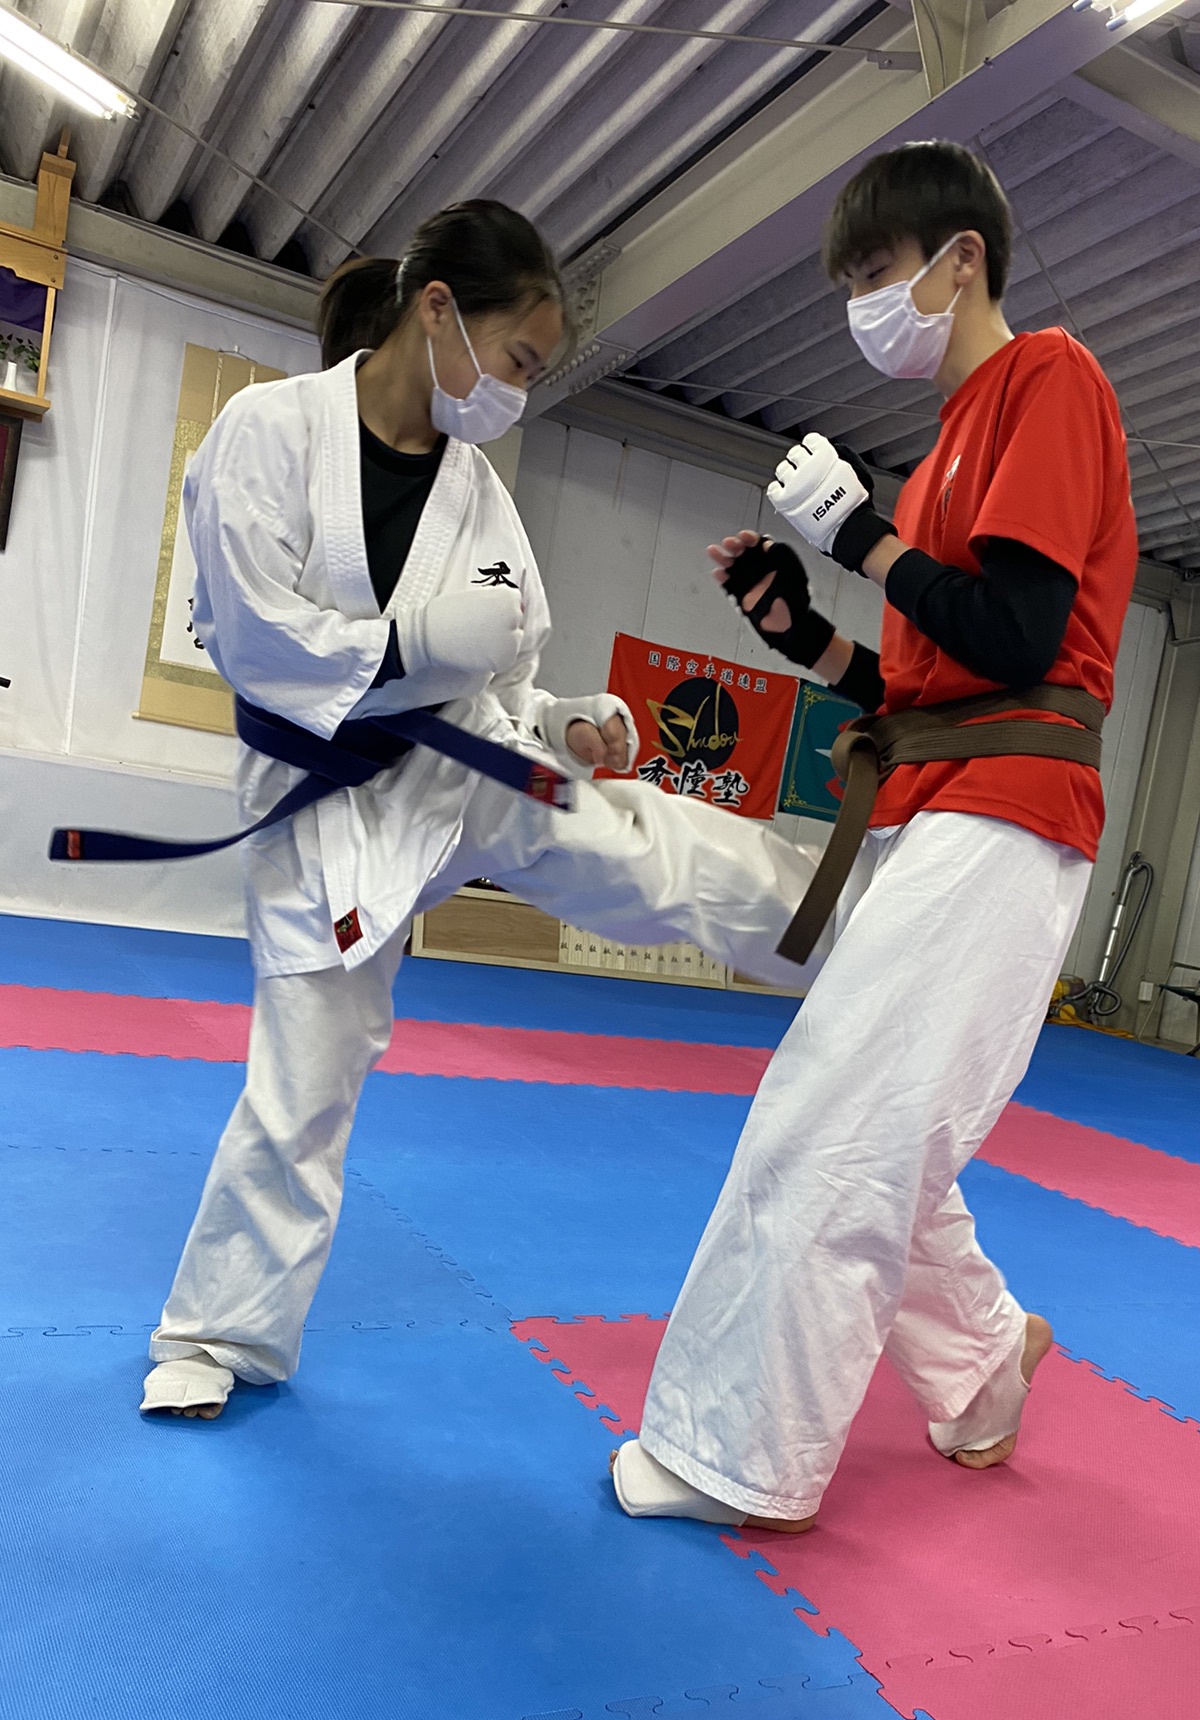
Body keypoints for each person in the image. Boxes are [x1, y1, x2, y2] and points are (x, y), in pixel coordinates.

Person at [139, 199, 821, 1420]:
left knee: (642, 840)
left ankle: (836, 923)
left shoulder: (481, 497)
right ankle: (215, 1335)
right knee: (305, 1084)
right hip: (321, 808)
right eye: (518, 359)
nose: (518, 390)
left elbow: (502, 681)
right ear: (438, 307)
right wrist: (409, 643)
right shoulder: (267, 433)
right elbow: (251, 639)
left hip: (467, 765)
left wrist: (565, 723)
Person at [612, 141, 1137, 1531]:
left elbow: (1020, 635)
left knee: (836, 1118)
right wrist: (802, 627)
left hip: (1007, 814)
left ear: (962, 259)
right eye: (849, 280)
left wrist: (862, 538)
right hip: (927, 797)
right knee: (889, 1125)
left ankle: (737, 1457)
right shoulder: (947, 446)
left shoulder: (1050, 378)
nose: (863, 304)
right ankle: (983, 1363)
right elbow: (915, 692)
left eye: (878, 271)